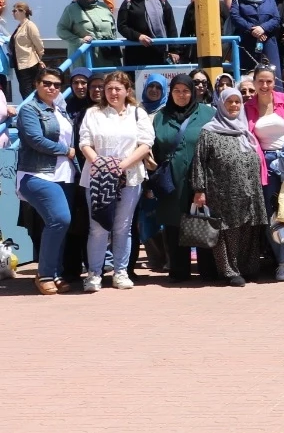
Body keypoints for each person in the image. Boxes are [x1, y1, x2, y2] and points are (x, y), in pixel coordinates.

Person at [78, 72, 154, 291]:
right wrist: (101, 165)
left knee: (123, 227)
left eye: (118, 89)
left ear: (127, 91)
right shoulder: (93, 113)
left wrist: (121, 166)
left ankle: (121, 272)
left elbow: (146, 143)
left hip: (129, 178)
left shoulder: (138, 113)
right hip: (97, 178)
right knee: (98, 228)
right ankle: (94, 274)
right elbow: (84, 142)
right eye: (109, 88)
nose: (113, 93)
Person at [190, 87, 266, 286]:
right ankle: (230, 271)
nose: (233, 105)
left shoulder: (244, 131)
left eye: (237, 102)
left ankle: (248, 267)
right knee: (227, 232)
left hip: (249, 191)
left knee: (249, 229)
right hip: (223, 192)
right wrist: (199, 189)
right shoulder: (209, 131)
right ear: (221, 104)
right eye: (229, 102)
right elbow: (199, 161)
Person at [245, 64, 284, 280]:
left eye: (269, 81)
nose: (265, 85)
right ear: (254, 83)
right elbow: (248, 137)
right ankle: (281, 263)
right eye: (260, 81)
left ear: (274, 82)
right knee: (273, 214)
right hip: (263, 164)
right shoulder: (248, 106)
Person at [16, 67, 77, 294]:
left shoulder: (60, 109)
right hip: (37, 173)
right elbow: (35, 139)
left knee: (58, 226)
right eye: (47, 83)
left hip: (65, 175)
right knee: (60, 219)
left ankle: (56, 272)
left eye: (57, 85)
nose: (52, 88)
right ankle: (45, 274)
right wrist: (65, 150)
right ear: (36, 84)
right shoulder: (29, 109)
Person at [151, 73, 216, 283]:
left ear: (193, 92)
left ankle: (208, 269)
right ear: (170, 93)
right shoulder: (160, 117)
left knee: (203, 218)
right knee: (174, 223)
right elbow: (153, 149)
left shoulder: (208, 114)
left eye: (186, 91)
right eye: (176, 91)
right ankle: (179, 271)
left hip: (203, 178)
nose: (181, 95)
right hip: (172, 179)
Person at [116, 0, 178, 67]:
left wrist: (174, 50)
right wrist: (138, 36)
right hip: (135, 53)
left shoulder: (162, 1)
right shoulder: (129, 3)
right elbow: (122, 26)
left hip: (158, 53)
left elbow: (171, 26)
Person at [229, 0, 283, 73]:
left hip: (267, 41)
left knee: (272, 74)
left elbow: (276, 19)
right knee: (248, 74)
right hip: (247, 42)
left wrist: (263, 28)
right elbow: (235, 17)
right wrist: (252, 29)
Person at [57, 0, 120, 67]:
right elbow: (61, 30)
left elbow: (113, 31)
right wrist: (79, 40)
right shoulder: (71, 9)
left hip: (107, 58)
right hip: (85, 58)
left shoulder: (104, 7)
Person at [10, 3, 44, 98]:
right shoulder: (19, 26)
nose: (13, 13)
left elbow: (39, 44)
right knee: (24, 90)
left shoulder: (30, 25)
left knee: (27, 91)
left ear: (23, 12)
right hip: (19, 64)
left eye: (15, 11)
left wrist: (39, 59)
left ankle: (31, 107)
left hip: (28, 63)